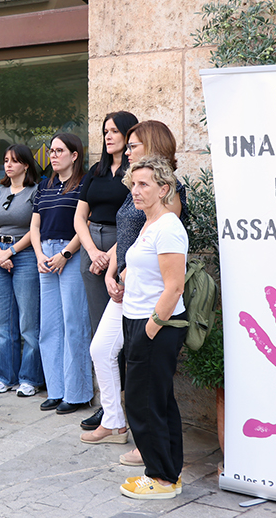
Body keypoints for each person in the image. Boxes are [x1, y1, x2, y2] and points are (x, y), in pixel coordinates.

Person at [81, 120, 186, 452]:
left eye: (133, 145)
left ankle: (150, 443)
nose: (126, 149)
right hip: (125, 284)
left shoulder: (169, 191)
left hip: (148, 292)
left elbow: (162, 245)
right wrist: (113, 271)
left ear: (152, 145)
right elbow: (129, 239)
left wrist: (123, 276)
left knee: (151, 377)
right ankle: (113, 421)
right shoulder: (137, 185)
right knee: (101, 349)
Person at [118, 156, 188, 500]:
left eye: (144, 184)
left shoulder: (168, 226)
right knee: (157, 401)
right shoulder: (149, 224)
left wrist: (149, 328)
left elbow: (174, 287)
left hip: (156, 326)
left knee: (144, 403)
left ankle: (160, 479)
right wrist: (123, 277)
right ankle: (169, 473)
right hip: (137, 320)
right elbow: (145, 267)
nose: (136, 190)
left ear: (164, 188)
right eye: (133, 183)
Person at [72, 111, 138, 431]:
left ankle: (121, 405)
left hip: (119, 247)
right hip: (91, 248)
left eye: (115, 131)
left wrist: (109, 254)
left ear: (129, 135)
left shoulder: (134, 172)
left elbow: (133, 221)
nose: (109, 136)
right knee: (100, 329)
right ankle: (107, 406)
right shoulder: (95, 172)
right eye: (105, 131)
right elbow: (79, 217)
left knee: (120, 334)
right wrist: (92, 251)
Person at [30, 132, 92, 414]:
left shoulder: (84, 185)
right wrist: (40, 254)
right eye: (51, 151)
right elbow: (34, 226)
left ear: (74, 155)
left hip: (70, 254)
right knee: (49, 326)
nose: (53, 155)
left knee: (73, 323)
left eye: (59, 151)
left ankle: (76, 393)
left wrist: (65, 253)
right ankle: (55, 390)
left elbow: (84, 224)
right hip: (44, 255)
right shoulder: (43, 186)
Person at [0, 144, 43, 397]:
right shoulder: (0, 191)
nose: (8, 164)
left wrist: (12, 252)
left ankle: (30, 378)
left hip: (25, 257)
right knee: (1, 323)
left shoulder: (35, 191)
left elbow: (34, 230)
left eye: (15, 161)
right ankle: (5, 377)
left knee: (28, 322)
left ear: (26, 165)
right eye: (6, 160)